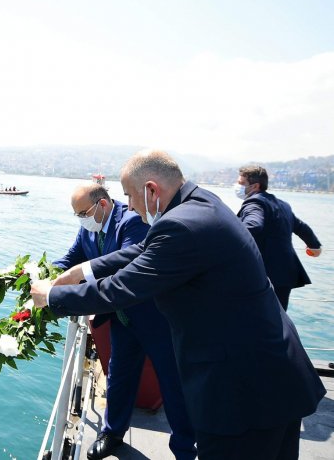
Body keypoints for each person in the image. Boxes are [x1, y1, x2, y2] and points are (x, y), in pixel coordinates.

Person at [31, 150, 325, 460]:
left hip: (244, 391)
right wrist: (82, 270)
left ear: (151, 190)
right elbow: (144, 249)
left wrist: (51, 297)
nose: (128, 205)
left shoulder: (182, 225)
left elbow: (122, 287)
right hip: (274, 373)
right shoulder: (199, 204)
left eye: (130, 196)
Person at [54, 181, 195, 459]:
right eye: (77, 216)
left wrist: (64, 295)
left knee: (172, 383)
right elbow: (73, 258)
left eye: (83, 213)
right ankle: (112, 434)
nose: (81, 220)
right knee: (120, 376)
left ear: (102, 204)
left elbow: (124, 268)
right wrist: (50, 275)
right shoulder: (88, 227)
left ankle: (184, 448)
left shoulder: (131, 222)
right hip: (122, 317)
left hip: (154, 317)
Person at [235, 165, 322, 311]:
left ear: (255, 186)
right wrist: (314, 246)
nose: (237, 186)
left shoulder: (255, 202)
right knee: (279, 322)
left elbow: (253, 226)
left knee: (256, 321)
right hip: (285, 274)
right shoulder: (282, 204)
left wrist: (223, 240)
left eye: (241, 183)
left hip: (264, 275)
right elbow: (300, 226)